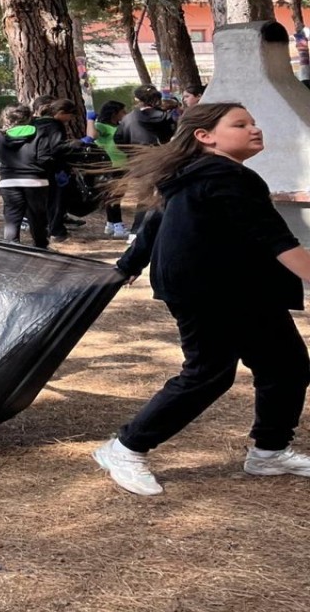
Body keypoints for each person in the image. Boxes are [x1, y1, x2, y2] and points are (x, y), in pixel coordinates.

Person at [94, 103, 310, 496]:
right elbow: (275, 238)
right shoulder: (225, 175)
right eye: (240, 124)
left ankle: (270, 451)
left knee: (286, 365)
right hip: (206, 289)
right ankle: (125, 448)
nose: (254, 129)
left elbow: (155, 222)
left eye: (253, 121)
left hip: (243, 287)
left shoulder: (197, 174)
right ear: (204, 136)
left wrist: (128, 265)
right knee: (209, 373)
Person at [115, 85, 177, 243]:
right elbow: (171, 136)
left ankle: (136, 231)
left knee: (144, 196)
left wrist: (132, 153)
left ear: (137, 99)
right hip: (161, 159)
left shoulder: (128, 119)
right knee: (166, 195)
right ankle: (164, 230)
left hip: (138, 161)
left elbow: (119, 139)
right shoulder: (165, 117)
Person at [0, 103, 51, 248]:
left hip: (9, 182)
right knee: (37, 217)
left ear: (6, 118)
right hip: (36, 182)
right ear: (29, 117)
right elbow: (44, 159)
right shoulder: (40, 133)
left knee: (12, 216)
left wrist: (7, 167)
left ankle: (12, 247)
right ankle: (41, 246)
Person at [32, 98, 81, 242]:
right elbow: (57, 147)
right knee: (57, 200)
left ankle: (45, 228)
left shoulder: (35, 123)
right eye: (70, 116)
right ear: (60, 113)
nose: (70, 120)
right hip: (53, 168)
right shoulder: (55, 125)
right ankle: (56, 230)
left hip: (36, 167)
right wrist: (73, 144)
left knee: (44, 200)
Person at [87, 100, 129, 238]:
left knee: (114, 196)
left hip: (122, 165)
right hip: (111, 166)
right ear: (114, 113)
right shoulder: (102, 126)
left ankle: (111, 224)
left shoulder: (118, 125)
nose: (125, 114)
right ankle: (118, 226)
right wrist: (90, 120)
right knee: (114, 197)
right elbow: (92, 136)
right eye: (123, 111)